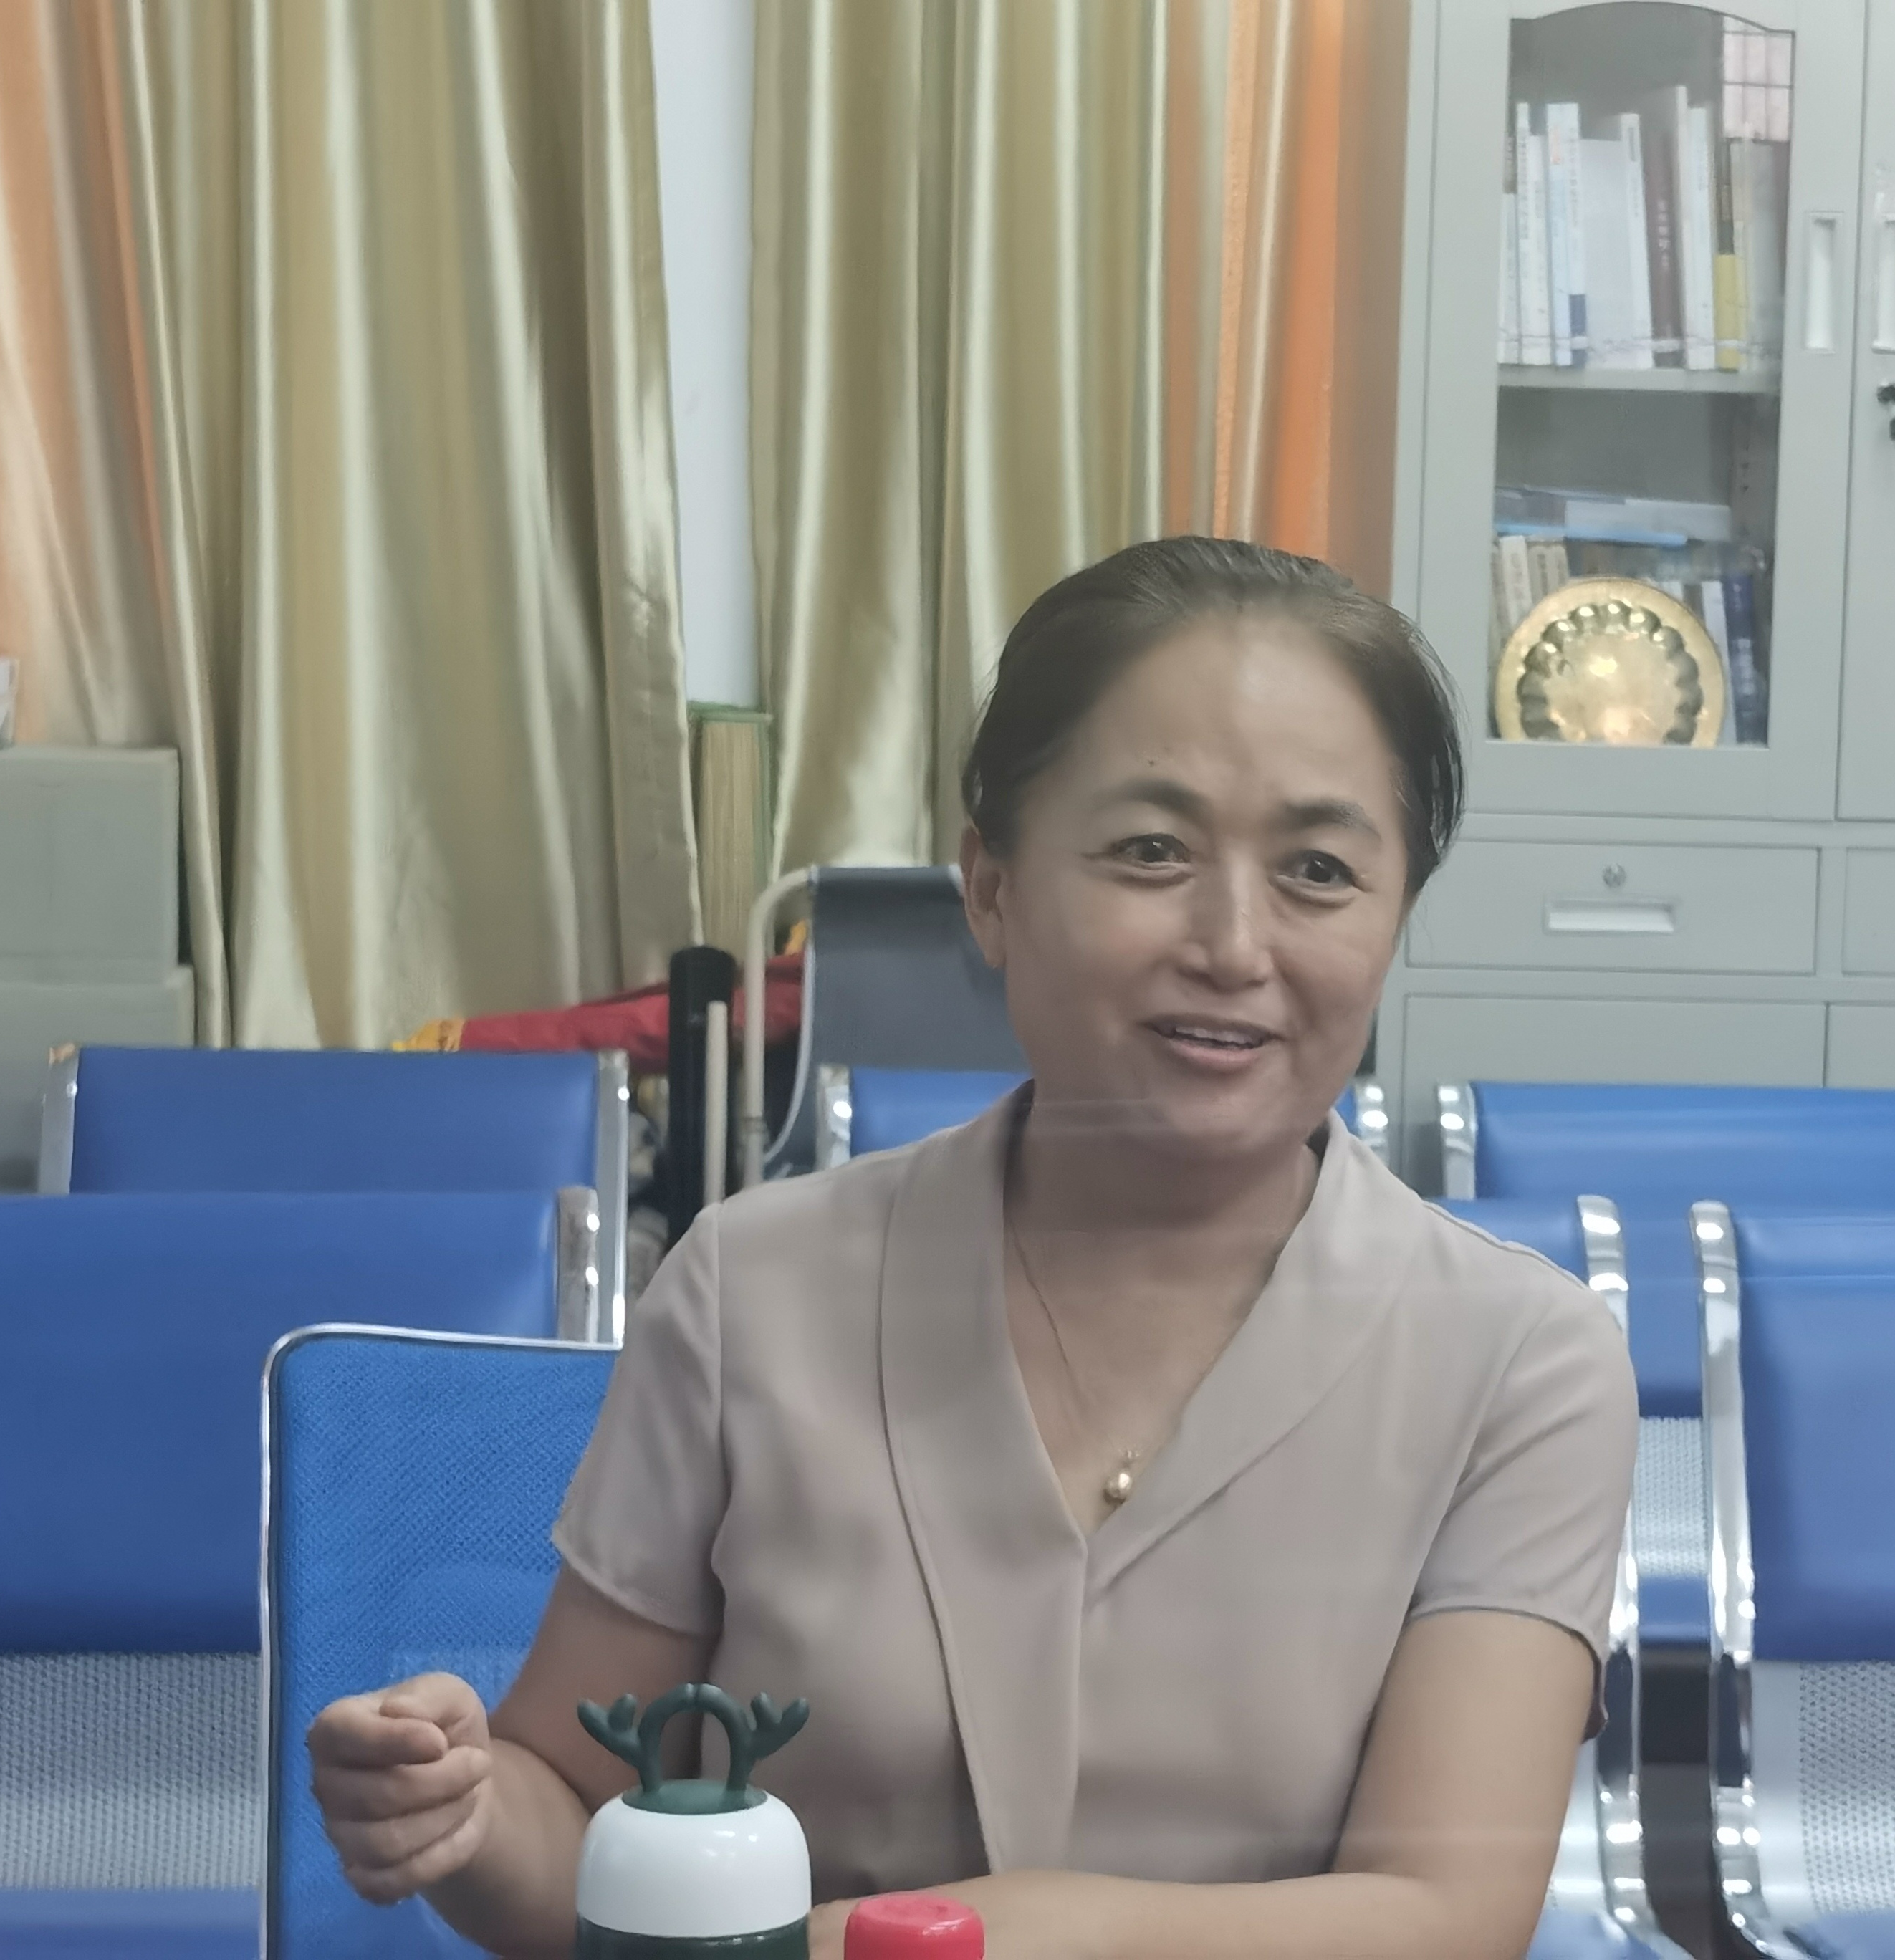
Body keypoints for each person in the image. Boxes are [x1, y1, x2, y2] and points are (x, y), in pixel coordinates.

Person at [307, 537, 1636, 1960]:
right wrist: (459, 1812)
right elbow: (581, 1829)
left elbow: (1443, 1919)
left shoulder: (1520, 1363)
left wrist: (899, 1943)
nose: (1235, 945)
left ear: (1393, 920)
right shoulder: (754, 1289)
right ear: (991, 889)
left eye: (1319, 870)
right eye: (1152, 851)